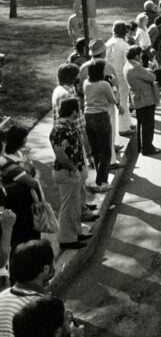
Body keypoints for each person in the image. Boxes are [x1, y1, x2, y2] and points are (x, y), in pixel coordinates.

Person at [49, 99, 92, 251]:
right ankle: (66, 239)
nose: (79, 112)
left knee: (74, 206)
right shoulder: (61, 129)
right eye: (78, 110)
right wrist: (73, 169)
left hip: (72, 172)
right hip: (66, 172)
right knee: (68, 207)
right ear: (73, 111)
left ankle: (76, 233)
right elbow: (60, 154)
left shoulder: (68, 125)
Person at [82, 61, 118, 192]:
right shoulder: (104, 85)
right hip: (101, 117)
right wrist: (113, 85)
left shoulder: (86, 83)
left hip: (88, 117)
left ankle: (100, 177)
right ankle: (102, 181)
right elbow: (114, 100)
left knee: (96, 150)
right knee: (106, 151)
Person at [125, 46, 160, 156]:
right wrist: (151, 70)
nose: (141, 56)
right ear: (136, 56)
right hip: (145, 99)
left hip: (138, 98)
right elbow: (152, 77)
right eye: (140, 55)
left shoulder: (128, 65)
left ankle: (142, 147)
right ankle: (148, 147)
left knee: (142, 123)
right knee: (148, 125)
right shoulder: (136, 68)